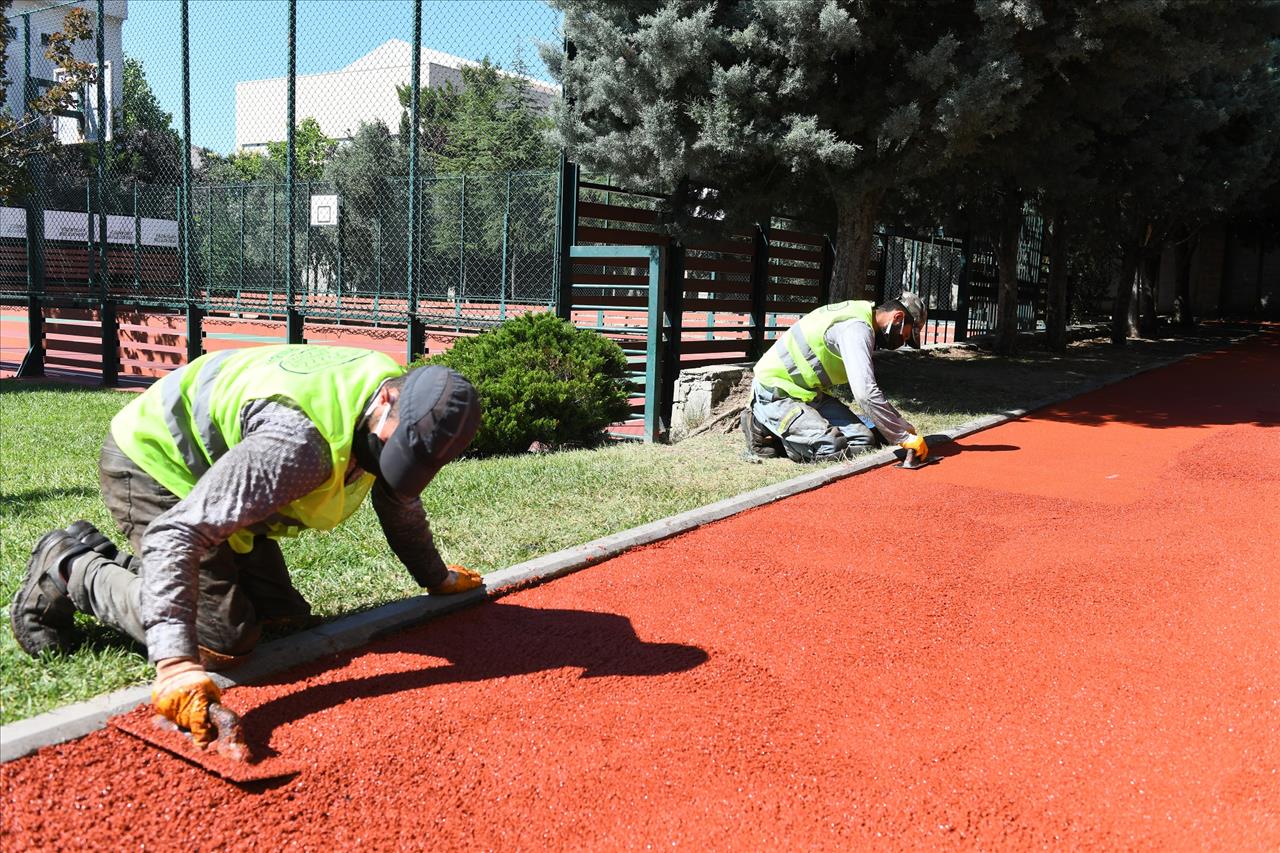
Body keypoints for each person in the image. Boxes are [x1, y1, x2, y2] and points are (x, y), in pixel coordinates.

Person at [11, 344, 484, 746]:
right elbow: (176, 534)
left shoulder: (399, 411)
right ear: (387, 398)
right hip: (158, 466)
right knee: (222, 643)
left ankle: (112, 563)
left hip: (230, 485)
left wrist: (436, 578)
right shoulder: (300, 444)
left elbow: (398, 503)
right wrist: (176, 664)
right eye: (394, 451)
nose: (391, 466)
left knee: (285, 620)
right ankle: (70, 565)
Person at [742, 293, 931, 463]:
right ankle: (760, 424)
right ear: (897, 317)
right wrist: (902, 437)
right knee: (830, 446)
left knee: (864, 441)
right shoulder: (856, 329)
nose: (901, 343)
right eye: (905, 336)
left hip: (808, 393)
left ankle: (792, 430)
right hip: (776, 391)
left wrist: (899, 423)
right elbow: (865, 392)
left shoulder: (861, 313)